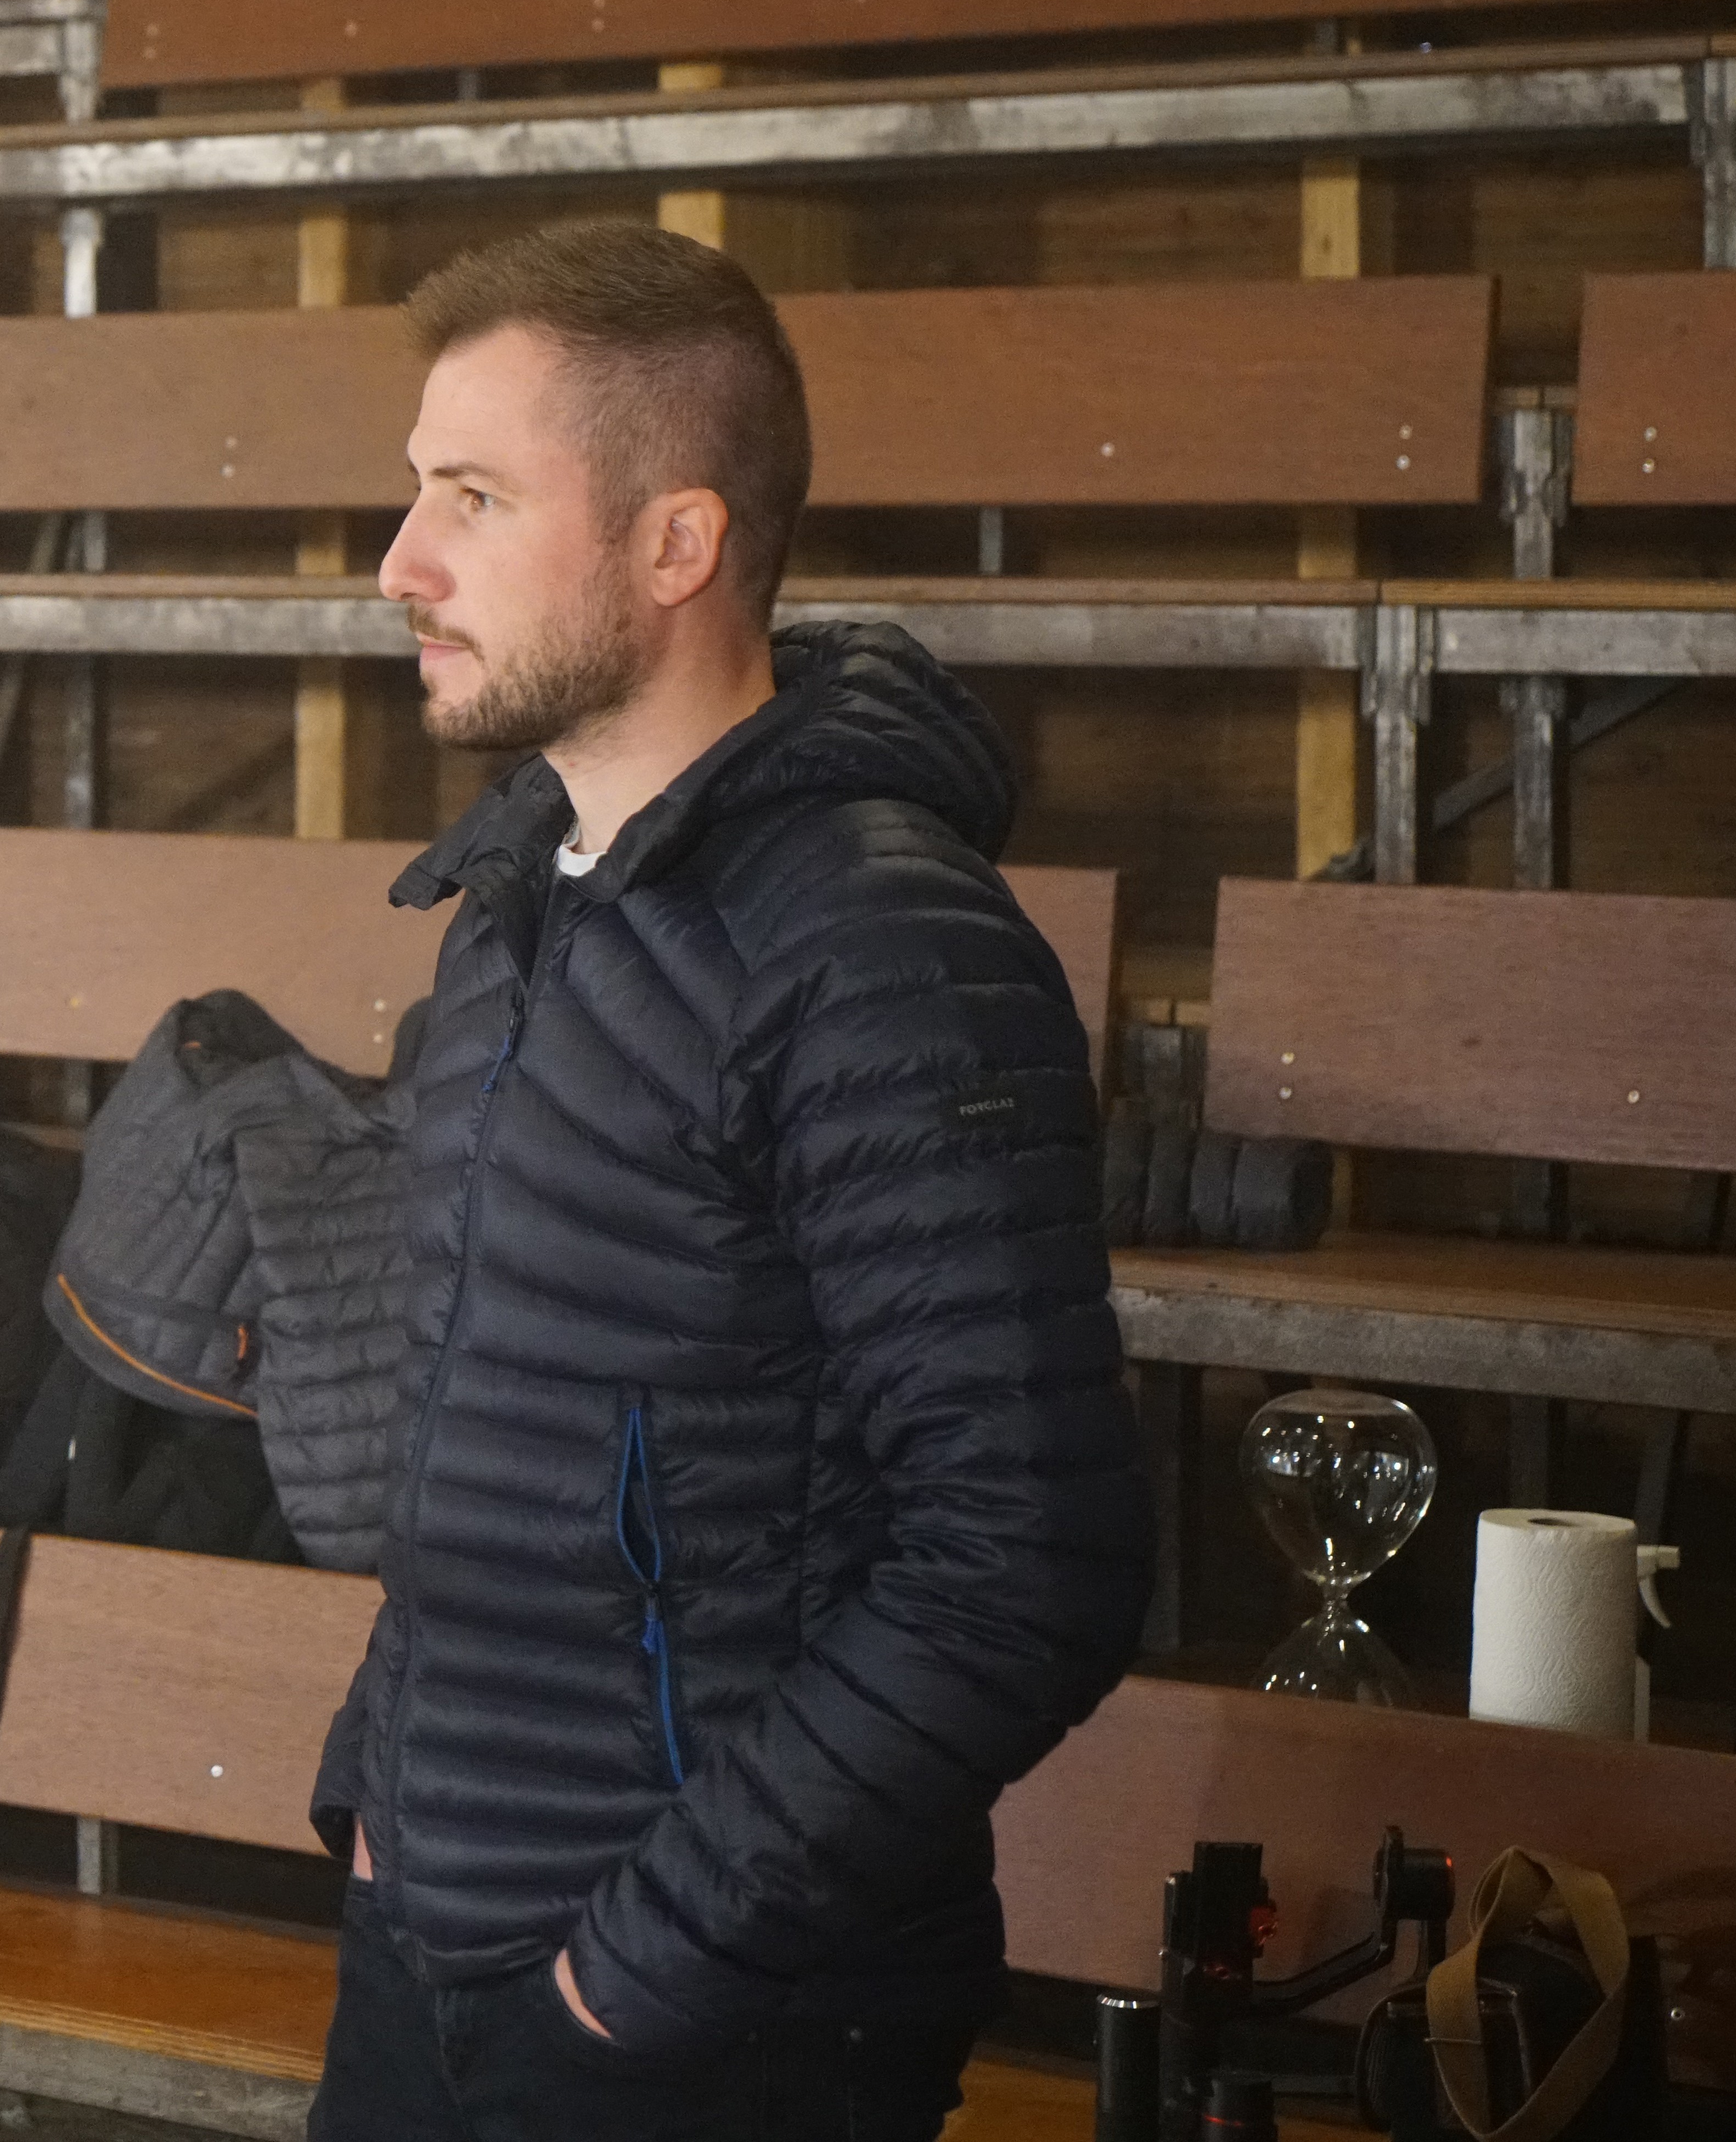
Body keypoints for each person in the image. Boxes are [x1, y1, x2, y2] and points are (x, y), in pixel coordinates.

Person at [312, 221, 1150, 2142]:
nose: (401, 566)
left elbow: (1032, 1563)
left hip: (705, 2024)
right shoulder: (515, 907)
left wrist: (643, 1967)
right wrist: (376, 1801)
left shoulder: (883, 946)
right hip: (433, 1949)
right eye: (411, 492)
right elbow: (489, 1431)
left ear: (676, 546)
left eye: (472, 497)